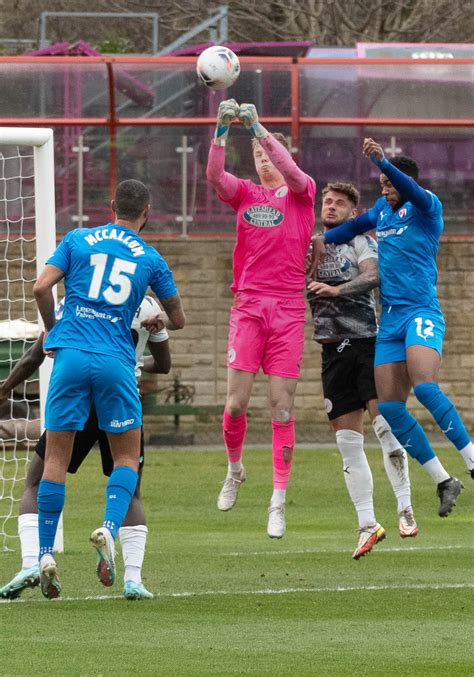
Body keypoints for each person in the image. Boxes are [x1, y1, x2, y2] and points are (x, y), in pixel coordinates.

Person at [32, 179, 185, 599]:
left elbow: (41, 287)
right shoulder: (151, 258)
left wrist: (53, 330)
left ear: (112, 204)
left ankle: (45, 553)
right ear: (147, 213)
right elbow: (179, 318)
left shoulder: (78, 239)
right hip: (117, 362)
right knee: (125, 459)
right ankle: (108, 529)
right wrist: (160, 321)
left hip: (71, 358)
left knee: (55, 461)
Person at [310, 139, 472, 517]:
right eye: (380, 183)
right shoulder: (383, 210)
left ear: (406, 182)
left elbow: (411, 189)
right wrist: (321, 239)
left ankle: (471, 459)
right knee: (391, 409)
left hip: (421, 312)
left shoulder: (427, 206)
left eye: (388, 183)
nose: (383, 190)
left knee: (426, 386)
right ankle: (444, 479)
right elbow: (350, 229)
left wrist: (384, 161)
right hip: (392, 320)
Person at [0, 295, 170, 601]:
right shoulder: (147, 306)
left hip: (77, 399)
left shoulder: (76, 300)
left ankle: (31, 563)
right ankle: (132, 579)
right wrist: (132, 360)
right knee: (129, 486)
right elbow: (164, 364)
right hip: (120, 395)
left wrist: (4, 389)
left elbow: (34, 356)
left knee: (37, 480)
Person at [206, 100, 316, 538]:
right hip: (249, 305)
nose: (263, 161)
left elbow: (293, 173)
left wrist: (259, 128)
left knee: (282, 406)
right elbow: (215, 177)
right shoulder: (246, 194)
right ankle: (234, 470)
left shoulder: (302, 192)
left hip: (288, 308)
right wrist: (221, 131)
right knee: (235, 403)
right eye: (256, 155)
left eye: (267, 153)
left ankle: (278, 501)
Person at [308, 181, 418, 560]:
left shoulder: (360, 241)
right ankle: (368, 524)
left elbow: (375, 276)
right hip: (330, 351)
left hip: (366, 343)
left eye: (340, 203)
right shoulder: (313, 244)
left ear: (354, 213)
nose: (332, 207)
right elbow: (289, 279)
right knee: (347, 445)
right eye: (327, 201)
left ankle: (405, 508)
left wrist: (337, 291)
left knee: (384, 427)